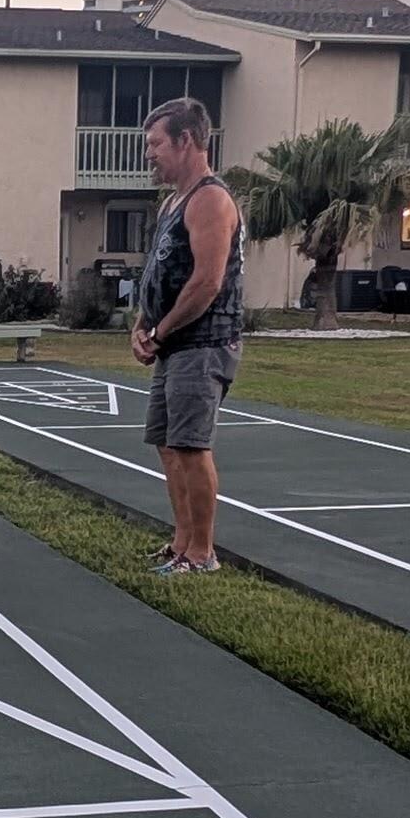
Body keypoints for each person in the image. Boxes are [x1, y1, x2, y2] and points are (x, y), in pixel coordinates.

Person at [128, 97, 243, 573]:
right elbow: (159, 272)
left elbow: (207, 282)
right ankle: (181, 544)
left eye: (155, 144)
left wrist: (160, 331)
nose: (149, 154)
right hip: (172, 344)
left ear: (186, 140)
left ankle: (202, 553)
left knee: (192, 447)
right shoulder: (173, 202)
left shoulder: (210, 200)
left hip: (203, 344)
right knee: (168, 443)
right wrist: (142, 324)